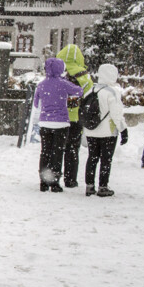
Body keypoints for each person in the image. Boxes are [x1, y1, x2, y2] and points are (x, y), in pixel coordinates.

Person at [33, 57, 84, 192]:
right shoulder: (63, 84)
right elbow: (79, 91)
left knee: (45, 152)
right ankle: (54, 183)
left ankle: (44, 181)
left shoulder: (41, 84)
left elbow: (36, 103)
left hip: (45, 122)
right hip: (61, 123)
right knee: (57, 152)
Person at [83, 64, 129, 197]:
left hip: (91, 130)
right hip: (108, 132)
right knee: (106, 159)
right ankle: (103, 186)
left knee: (92, 158)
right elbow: (116, 114)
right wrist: (123, 130)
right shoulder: (112, 92)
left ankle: (89, 186)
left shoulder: (90, 90)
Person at [57, 44, 93, 187]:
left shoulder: (58, 72)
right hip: (76, 117)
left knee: (57, 148)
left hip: (59, 116)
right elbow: (90, 95)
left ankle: (52, 176)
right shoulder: (84, 76)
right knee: (72, 149)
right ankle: (70, 179)